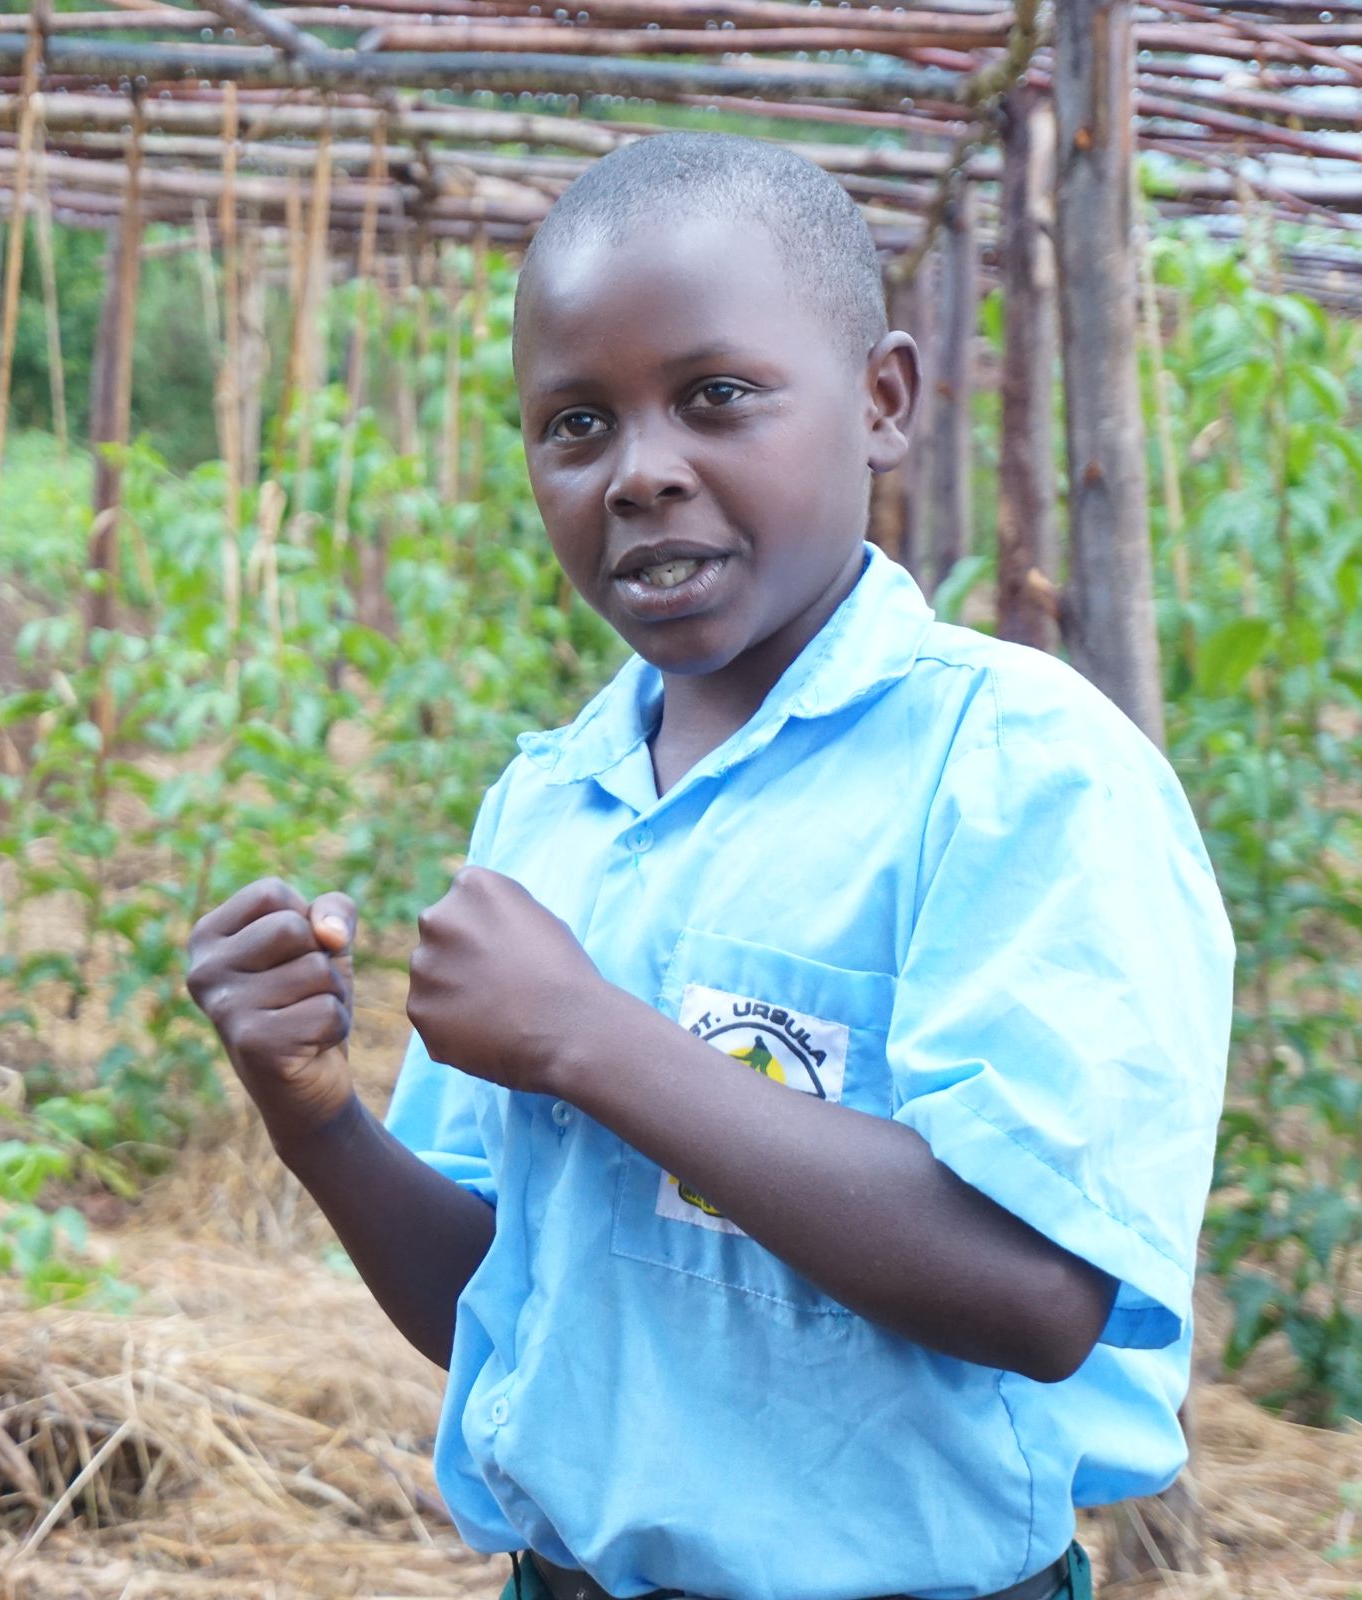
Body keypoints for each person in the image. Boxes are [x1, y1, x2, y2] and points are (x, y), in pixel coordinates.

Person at [184, 131, 1232, 1600]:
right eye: (575, 426)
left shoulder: (1016, 772)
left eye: (716, 397)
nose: (642, 473)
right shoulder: (550, 811)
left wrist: (591, 1037)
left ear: (883, 402)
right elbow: (507, 1302)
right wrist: (318, 1124)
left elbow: (1039, 1290)